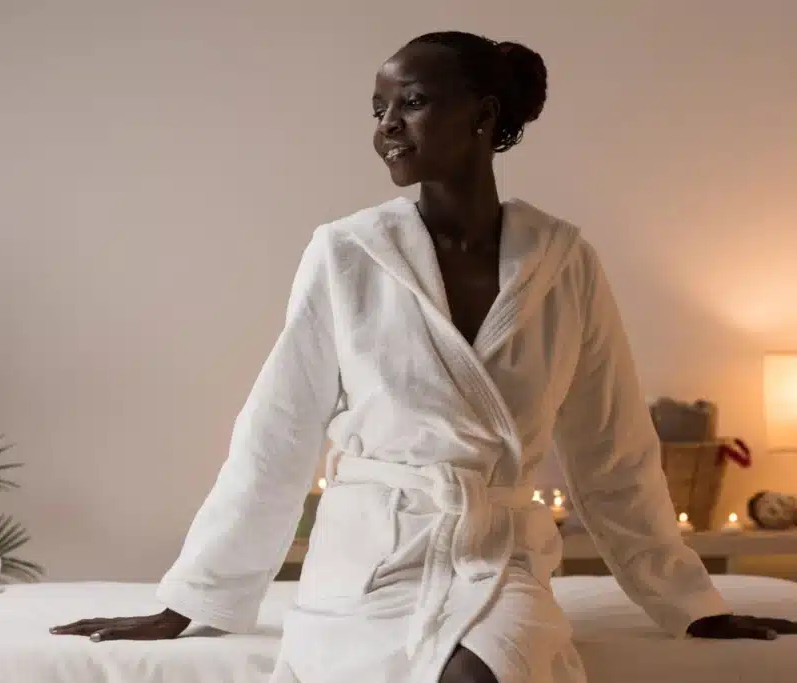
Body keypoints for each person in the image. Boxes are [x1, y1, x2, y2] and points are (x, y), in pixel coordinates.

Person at [51, 30, 797, 683]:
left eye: (409, 102)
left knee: (478, 668)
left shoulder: (564, 262)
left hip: (496, 557)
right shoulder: (347, 253)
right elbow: (276, 434)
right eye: (378, 110)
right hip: (368, 558)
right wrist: (193, 599)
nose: (386, 127)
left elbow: (613, 450)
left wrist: (691, 603)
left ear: (483, 113)